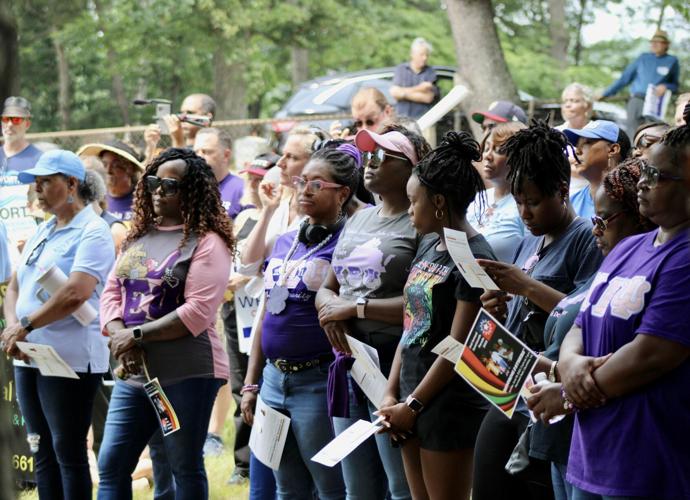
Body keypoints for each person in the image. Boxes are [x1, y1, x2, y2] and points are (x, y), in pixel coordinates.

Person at [553, 123, 690, 499]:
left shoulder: (685, 256)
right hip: (593, 451)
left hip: (647, 460)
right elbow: (581, 323)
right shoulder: (631, 247)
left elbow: (653, 353)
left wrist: (568, 392)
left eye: (656, 175)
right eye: (643, 170)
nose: (642, 182)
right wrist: (569, 364)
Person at [472, 121, 603, 500]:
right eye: (518, 201)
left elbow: (583, 313)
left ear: (562, 192)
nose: (524, 212)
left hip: (547, 396)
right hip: (507, 388)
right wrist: (500, 305)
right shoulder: (532, 242)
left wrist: (524, 285)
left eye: (533, 201)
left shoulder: (584, 240)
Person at [96, 148, 234, 500]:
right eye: (154, 182)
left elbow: (197, 312)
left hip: (186, 373)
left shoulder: (208, 242)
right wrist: (118, 336)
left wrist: (134, 335)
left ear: (190, 191)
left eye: (169, 185)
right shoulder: (139, 236)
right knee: (112, 464)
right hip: (135, 373)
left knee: (181, 466)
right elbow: (111, 292)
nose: (158, 190)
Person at [526, 159, 654, 500]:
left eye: (604, 220)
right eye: (594, 219)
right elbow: (578, 328)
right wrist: (560, 366)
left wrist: (566, 391)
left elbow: (646, 357)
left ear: (640, 216)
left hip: (630, 448)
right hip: (582, 440)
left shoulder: (663, 267)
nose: (595, 229)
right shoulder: (609, 266)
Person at [241, 144, 364, 500]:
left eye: (316, 184)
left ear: (342, 193)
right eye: (301, 182)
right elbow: (265, 313)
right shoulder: (285, 241)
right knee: (287, 488)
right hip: (273, 380)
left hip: (318, 381)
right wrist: (252, 384)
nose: (304, 191)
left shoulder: (351, 242)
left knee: (330, 487)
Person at [376, 131, 494, 499]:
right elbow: (412, 322)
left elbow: (460, 344)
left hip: (446, 404)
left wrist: (414, 404)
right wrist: (391, 393)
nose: (409, 210)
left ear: (439, 202)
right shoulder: (429, 242)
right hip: (409, 397)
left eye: (414, 202)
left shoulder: (474, 254)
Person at [315, 125, 431, 500]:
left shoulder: (420, 225)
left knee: (401, 486)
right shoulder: (358, 218)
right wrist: (329, 312)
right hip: (349, 363)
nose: (370, 162)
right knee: (357, 487)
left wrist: (354, 308)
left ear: (411, 168)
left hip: (392, 368)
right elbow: (327, 289)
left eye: (383, 156)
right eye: (367, 154)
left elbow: (424, 306)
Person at [1, 150, 116, 500]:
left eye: (45, 181)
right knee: (41, 450)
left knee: (68, 453)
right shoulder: (43, 229)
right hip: (29, 354)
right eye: (36, 182)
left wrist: (25, 326)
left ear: (71, 184)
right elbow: (17, 285)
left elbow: (75, 293)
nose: (38, 189)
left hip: (69, 359)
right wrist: (12, 328)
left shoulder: (94, 231)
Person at [597, 29, 680, 134]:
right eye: (652, 42)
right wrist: (605, 93)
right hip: (637, 99)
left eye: (658, 42)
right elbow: (625, 78)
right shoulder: (643, 58)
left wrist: (666, 86)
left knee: (652, 133)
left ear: (666, 45)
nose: (654, 44)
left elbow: (675, 85)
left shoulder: (672, 60)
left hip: (655, 103)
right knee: (633, 133)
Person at [467, 121, 526, 262]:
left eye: (498, 150)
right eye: (487, 148)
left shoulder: (527, 206)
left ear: (518, 158)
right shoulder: (478, 198)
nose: (487, 156)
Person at [564, 120, 631, 218]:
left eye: (587, 143)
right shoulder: (571, 202)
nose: (577, 151)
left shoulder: (634, 201)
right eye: (577, 146)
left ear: (612, 150)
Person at [76, 141, 145, 221]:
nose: (108, 170)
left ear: (130, 169)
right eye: (104, 164)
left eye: (116, 165)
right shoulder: (95, 199)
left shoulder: (142, 199)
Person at [144, 93, 216, 161]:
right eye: (181, 113)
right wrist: (151, 147)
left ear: (207, 117)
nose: (181, 118)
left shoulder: (213, 149)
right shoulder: (166, 150)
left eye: (190, 113)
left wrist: (178, 142)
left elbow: (182, 171)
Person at [194, 127, 245, 219]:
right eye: (196, 152)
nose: (199, 157)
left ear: (226, 155)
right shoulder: (190, 187)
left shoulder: (241, 189)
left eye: (206, 152)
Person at [390, 37, 440, 119]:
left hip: (425, 121)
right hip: (402, 121)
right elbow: (394, 93)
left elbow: (428, 98)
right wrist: (420, 88)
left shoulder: (430, 72)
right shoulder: (401, 69)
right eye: (422, 54)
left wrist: (402, 93)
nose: (425, 58)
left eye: (426, 55)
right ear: (412, 54)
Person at [330, 87, 394, 139]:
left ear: (387, 111)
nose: (364, 129)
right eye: (359, 123)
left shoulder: (399, 138)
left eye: (370, 122)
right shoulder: (349, 134)